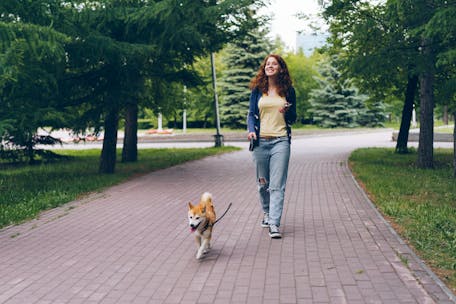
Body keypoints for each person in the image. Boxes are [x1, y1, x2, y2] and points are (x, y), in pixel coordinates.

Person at [247, 54, 297, 239]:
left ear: (280, 68)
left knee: (277, 186)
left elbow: (293, 118)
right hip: (260, 142)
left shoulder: (288, 90)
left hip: (281, 141)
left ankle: (274, 223)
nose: (270, 66)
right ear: (264, 68)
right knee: (263, 184)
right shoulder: (258, 89)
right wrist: (251, 130)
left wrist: (288, 110)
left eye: (274, 64)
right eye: (268, 64)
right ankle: (267, 213)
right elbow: (251, 114)